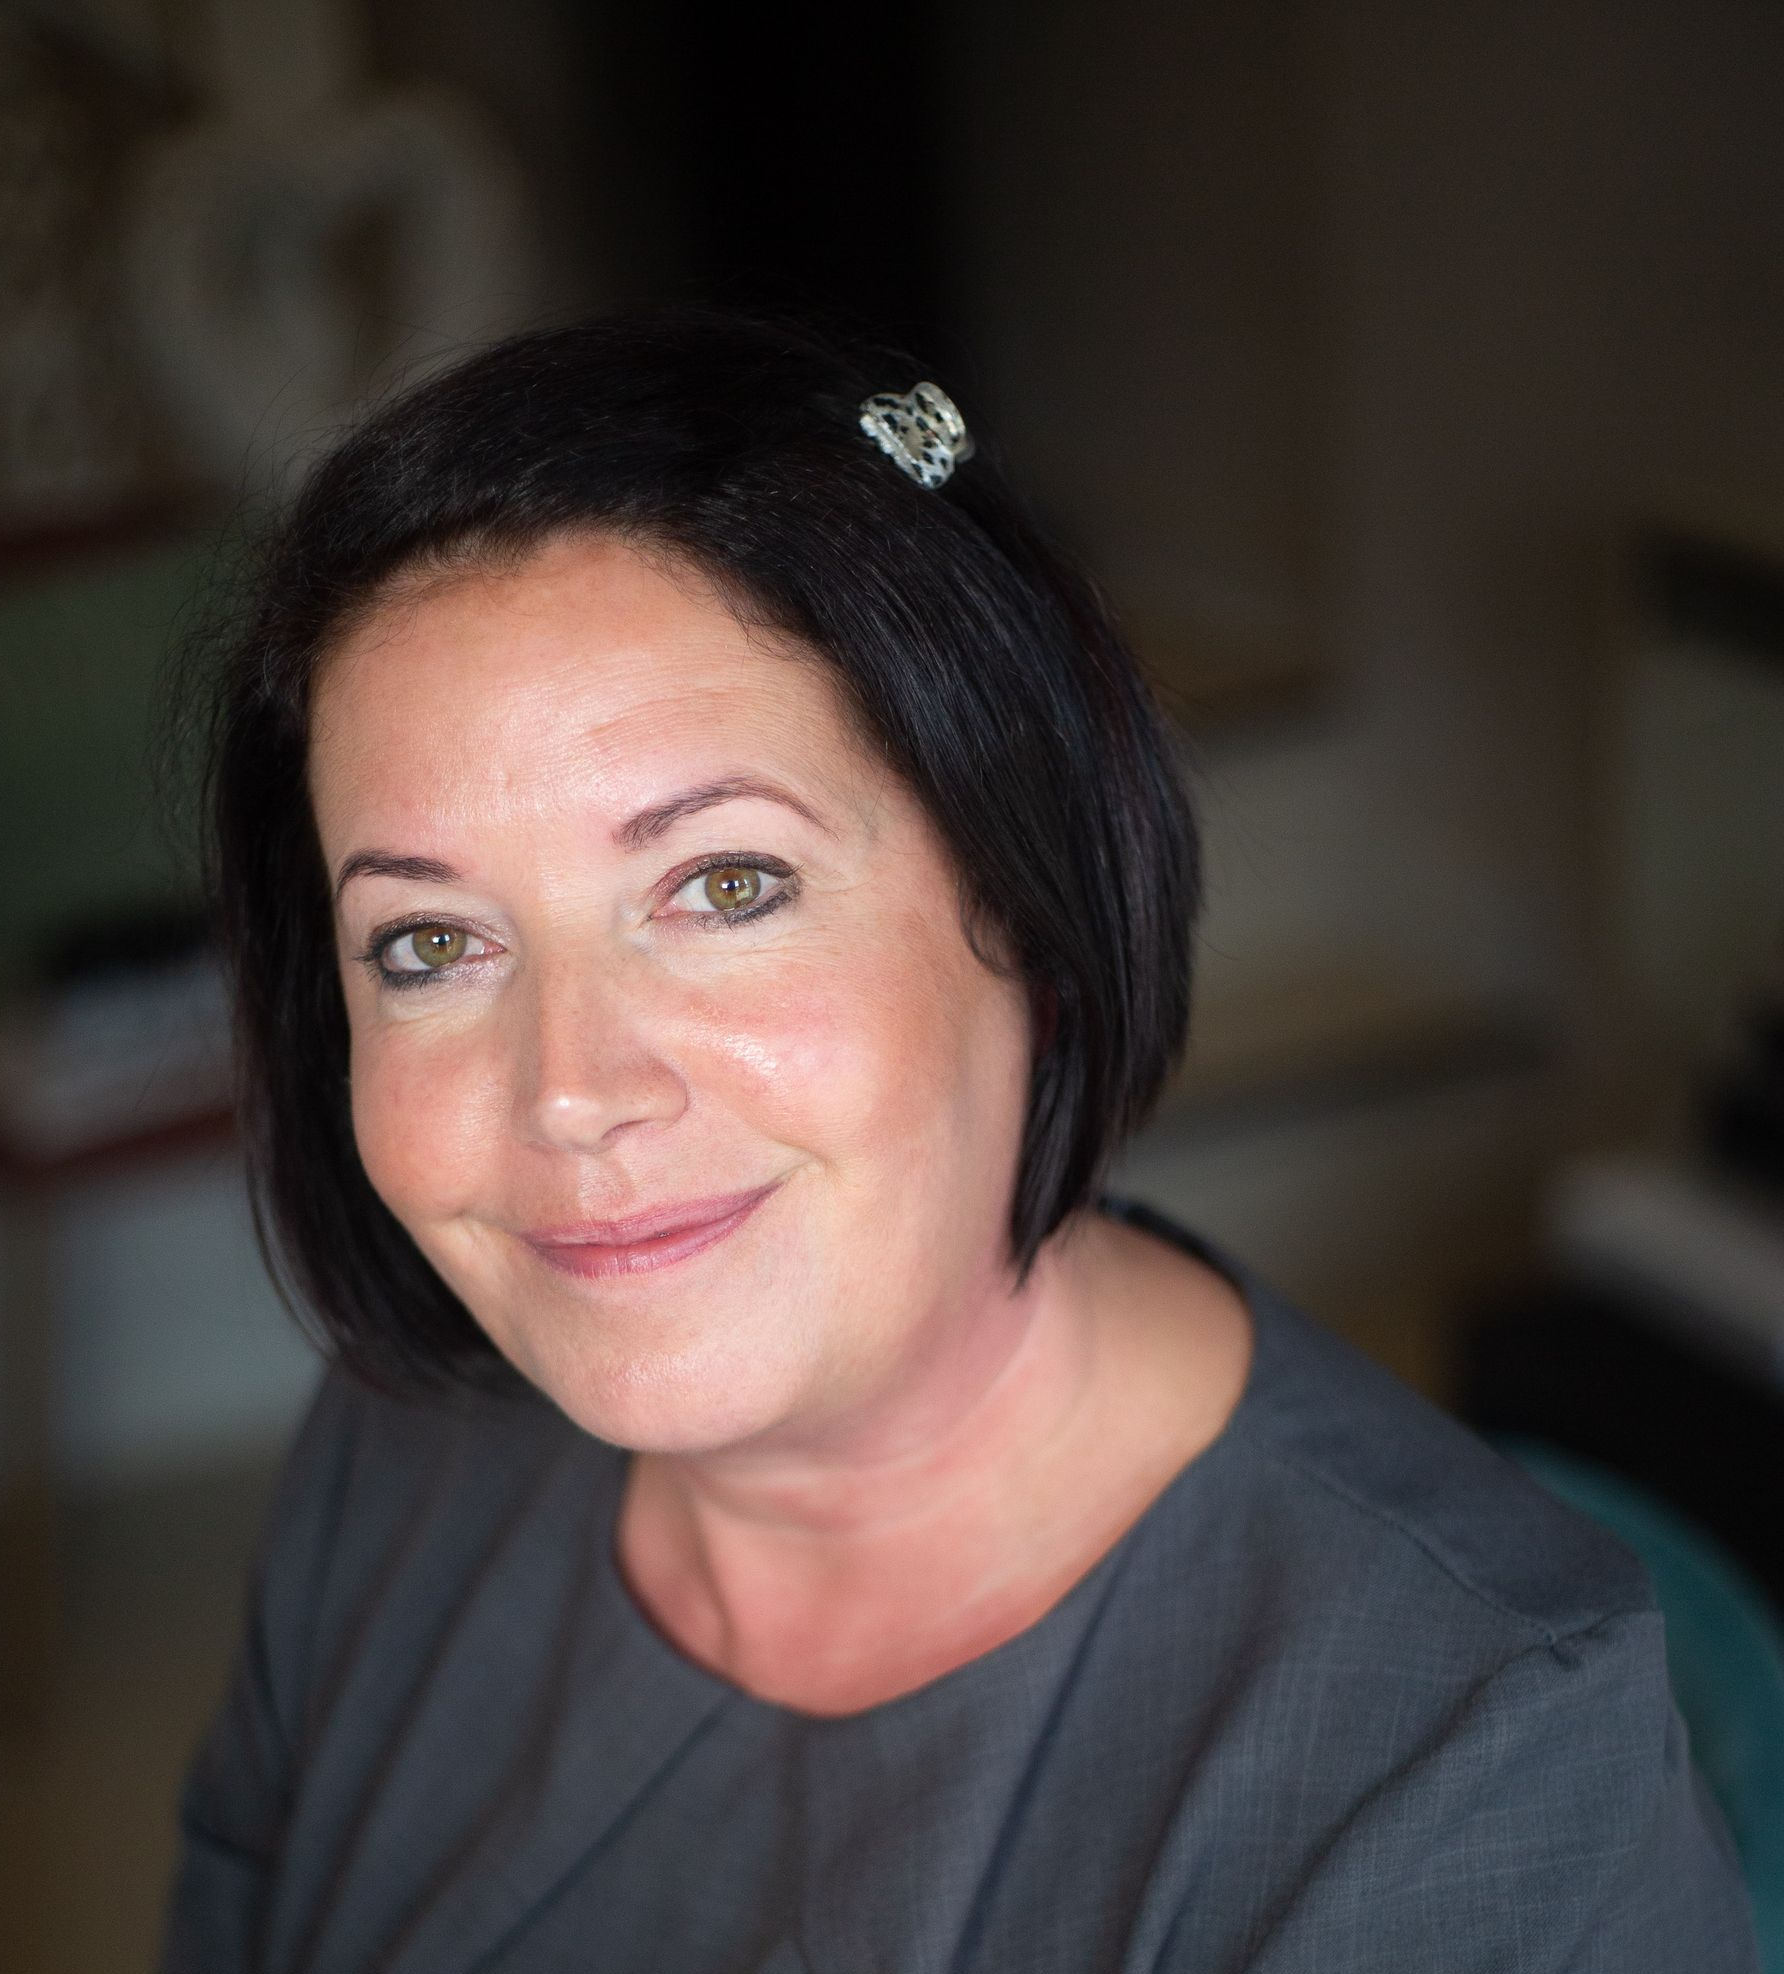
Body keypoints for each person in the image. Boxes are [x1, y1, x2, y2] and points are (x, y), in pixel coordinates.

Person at [158, 307, 1759, 1973]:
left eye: (726, 885)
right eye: (430, 944)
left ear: (1031, 904)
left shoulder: (1469, 1774)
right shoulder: (400, 1455)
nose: (568, 1089)